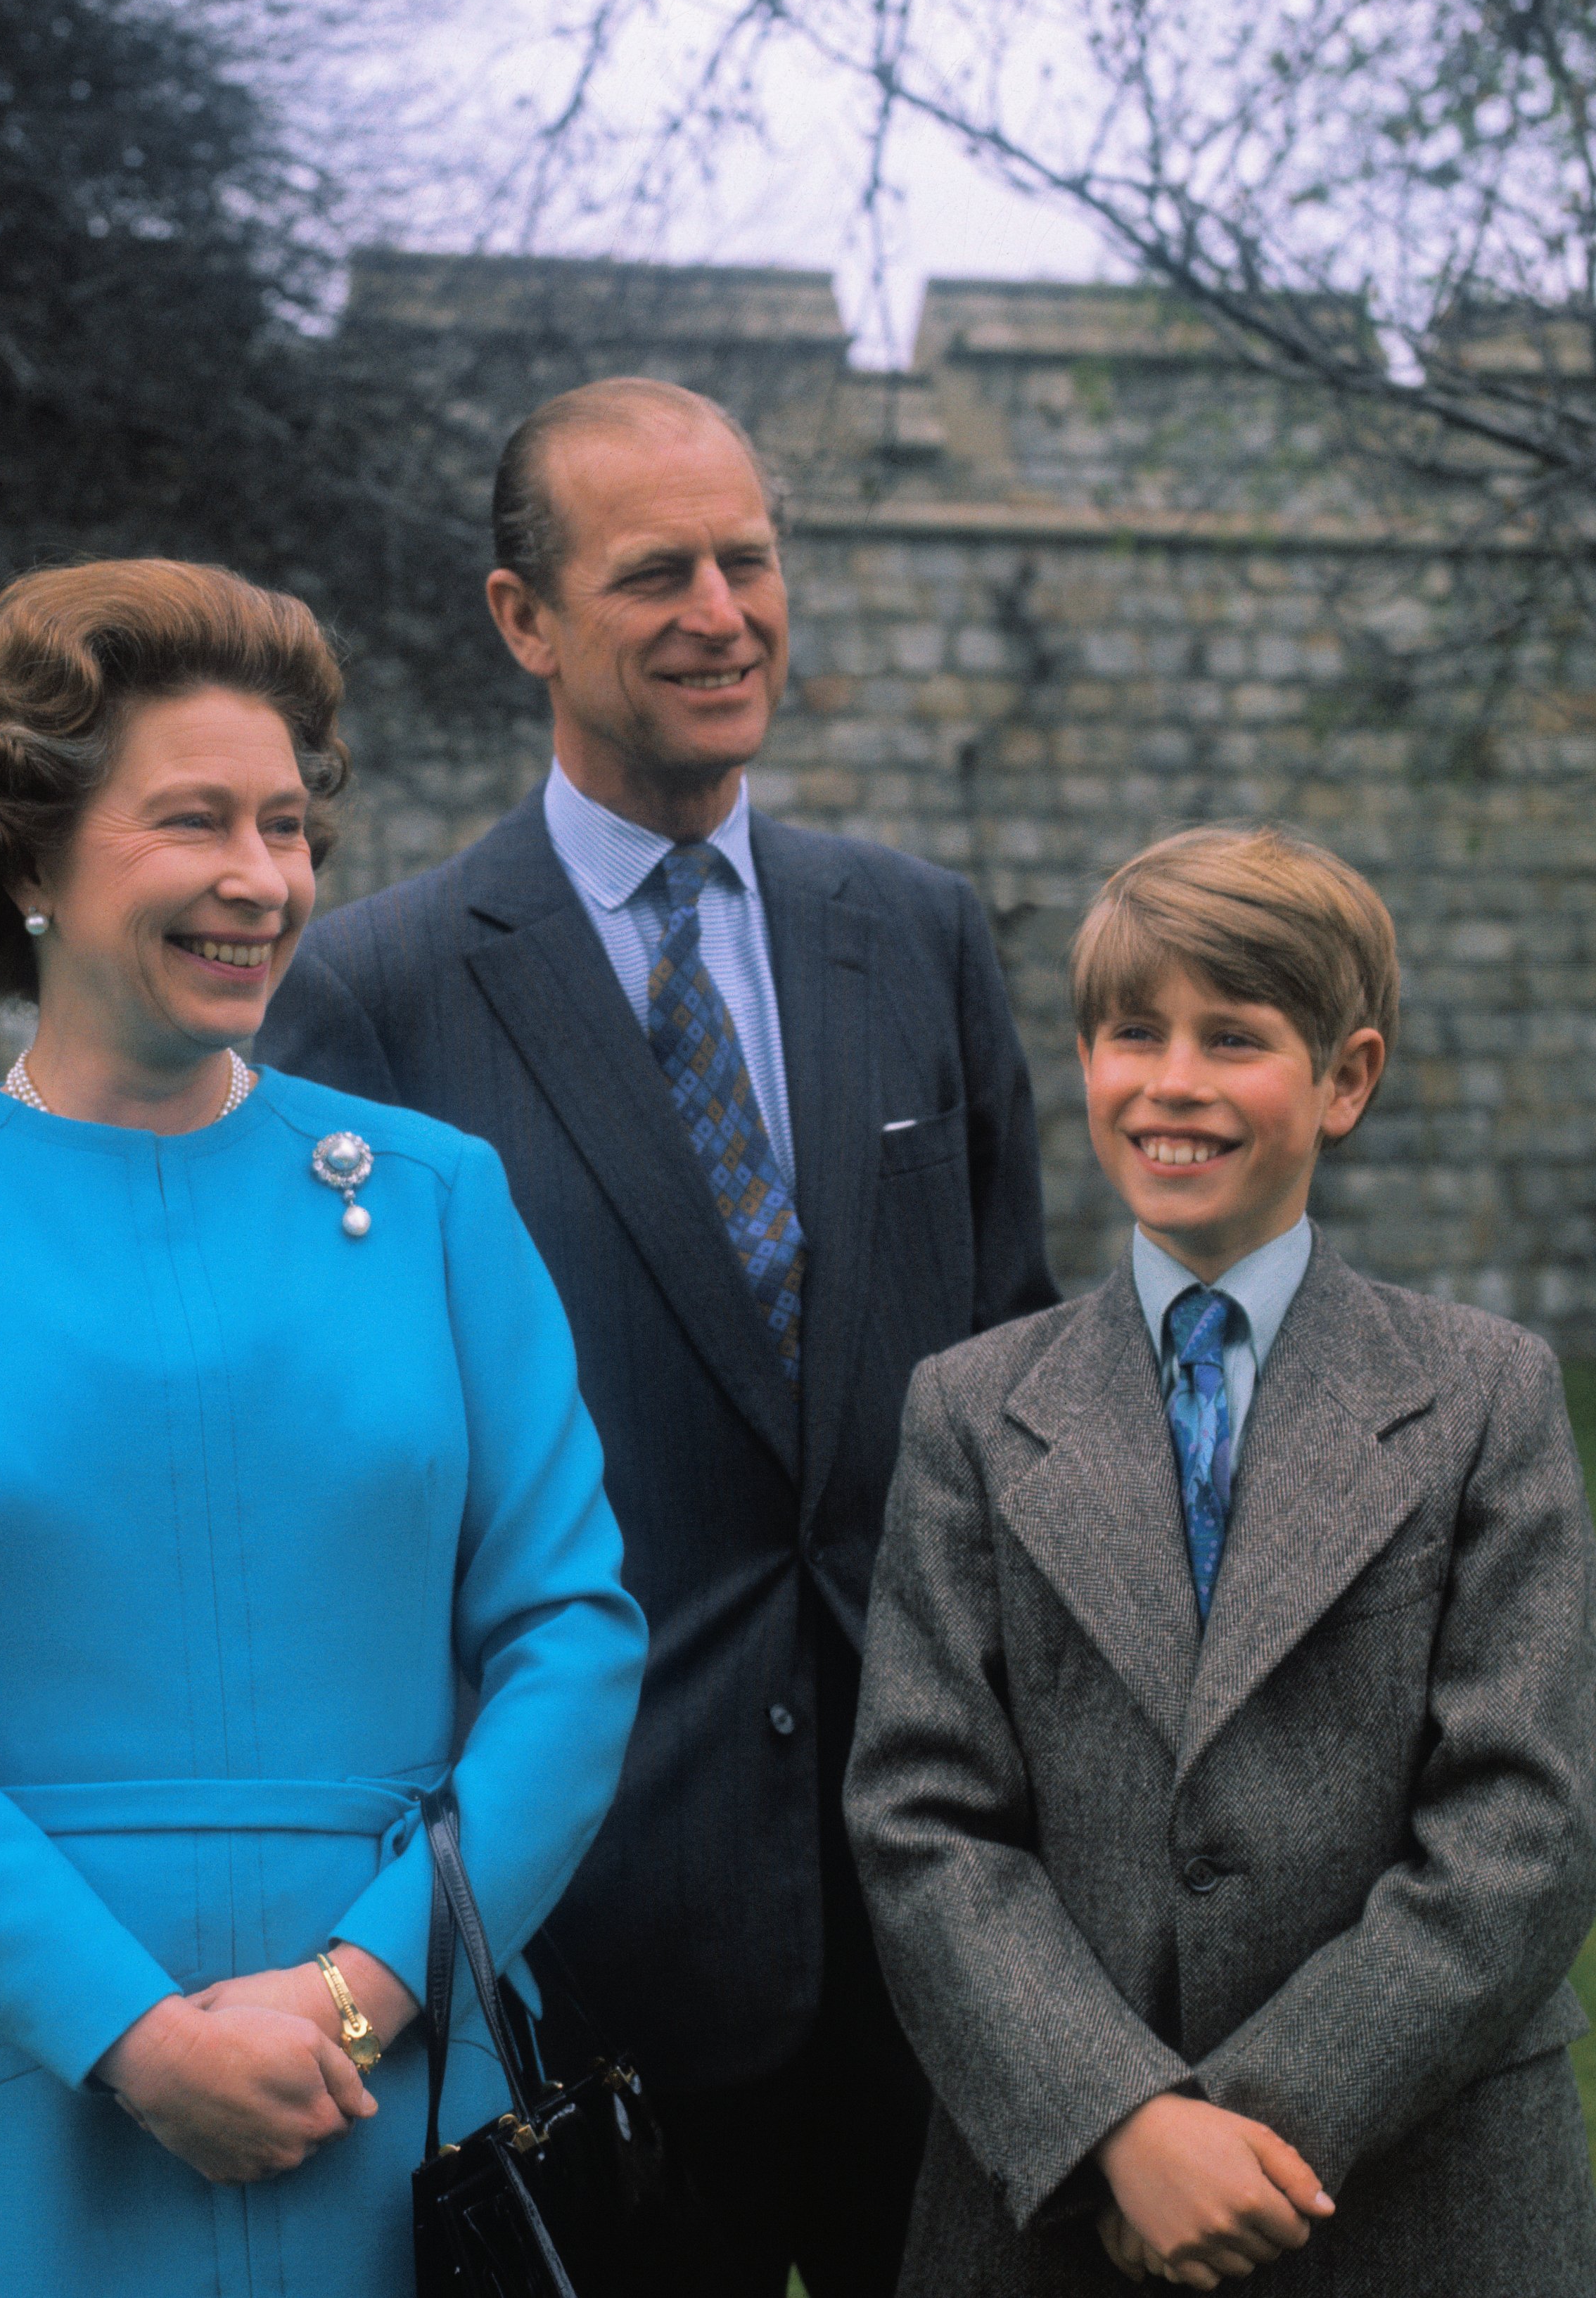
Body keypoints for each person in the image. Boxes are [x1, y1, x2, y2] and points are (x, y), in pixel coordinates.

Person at [0, 558, 647, 2298]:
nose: (260, 881)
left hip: (398, 2084)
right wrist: (129, 2035)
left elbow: (571, 1635)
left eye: (288, 827)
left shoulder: (444, 1198)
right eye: (193, 824)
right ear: (30, 857)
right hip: (22, 2082)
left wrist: (360, 1989)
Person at [257, 377, 1059, 2297]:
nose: (720, 606)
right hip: (585, 1967)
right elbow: (343, 1502)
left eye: (748, 556)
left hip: (945, 1925)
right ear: (521, 618)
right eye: (653, 571)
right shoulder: (380, 992)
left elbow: (1022, 1383)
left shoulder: (919, 933)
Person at [845, 824, 1596, 2296]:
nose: (1173, 1082)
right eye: (1131, 1032)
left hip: (1413, 2187)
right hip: (1062, 2204)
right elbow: (919, 1816)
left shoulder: (1480, 1395)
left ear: (1344, 1079)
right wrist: (1119, 2127)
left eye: (1235, 1038)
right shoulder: (968, 1409)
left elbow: (1535, 1815)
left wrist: (1252, 2128)